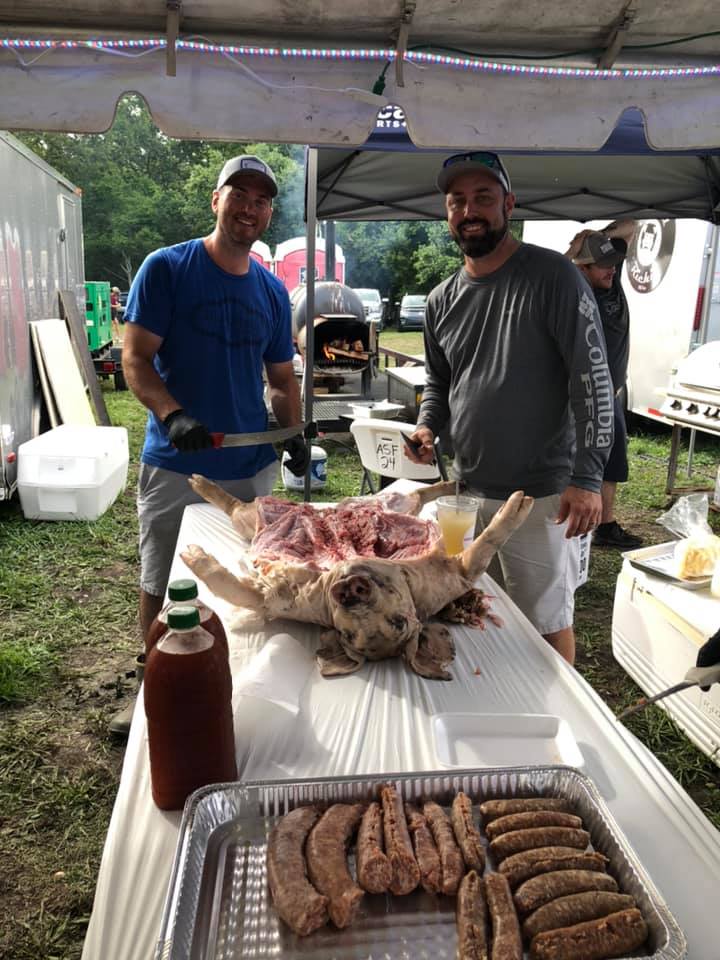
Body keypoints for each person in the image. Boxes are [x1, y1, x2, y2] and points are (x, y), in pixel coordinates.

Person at [112, 154, 307, 735]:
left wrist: (292, 436)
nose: (250, 207)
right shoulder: (168, 268)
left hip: (250, 465)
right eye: (239, 194)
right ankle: (153, 688)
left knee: (257, 578)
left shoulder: (272, 291)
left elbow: (280, 379)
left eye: (262, 199)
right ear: (215, 199)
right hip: (178, 461)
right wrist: (172, 416)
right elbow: (135, 358)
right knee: (163, 578)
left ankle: (236, 687)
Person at [406, 151, 613, 665]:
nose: (469, 210)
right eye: (457, 201)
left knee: (544, 625)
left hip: (540, 496)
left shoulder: (554, 276)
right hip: (466, 490)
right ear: (447, 213)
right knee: (477, 613)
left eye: (483, 198)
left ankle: (557, 727)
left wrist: (587, 477)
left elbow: (593, 379)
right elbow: (439, 380)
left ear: (509, 205)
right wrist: (428, 424)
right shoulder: (441, 300)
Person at [566, 224, 643, 550]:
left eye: (613, 263)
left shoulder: (609, 279)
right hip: (587, 395)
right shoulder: (571, 290)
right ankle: (585, 527)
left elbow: (633, 225)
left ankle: (605, 526)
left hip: (610, 391)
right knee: (588, 461)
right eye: (602, 264)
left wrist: (596, 235)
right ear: (582, 267)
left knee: (613, 460)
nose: (612, 269)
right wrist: (574, 253)